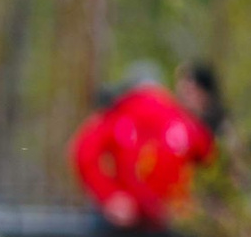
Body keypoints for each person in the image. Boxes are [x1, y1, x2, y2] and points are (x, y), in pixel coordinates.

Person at [69, 61, 219, 228]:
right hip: (156, 224)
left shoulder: (121, 113)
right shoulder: (179, 118)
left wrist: (109, 196)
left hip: (146, 223)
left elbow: (83, 151)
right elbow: (211, 160)